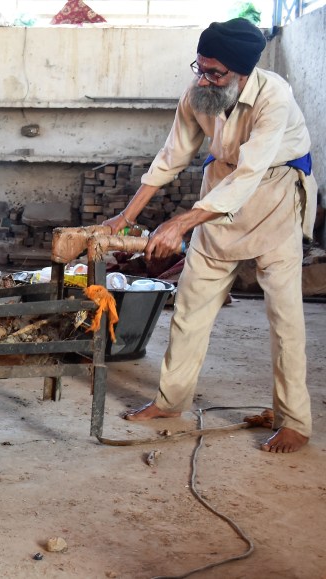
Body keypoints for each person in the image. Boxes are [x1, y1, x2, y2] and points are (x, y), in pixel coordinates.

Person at [103, 18, 318, 453]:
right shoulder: (198, 93)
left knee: (285, 317)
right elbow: (171, 156)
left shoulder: (274, 97)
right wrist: (125, 216)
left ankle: (294, 422)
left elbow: (250, 173)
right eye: (199, 68)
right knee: (190, 305)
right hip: (218, 190)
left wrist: (181, 223)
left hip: (273, 193)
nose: (203, 79)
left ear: (242, 73)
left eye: (214, 73)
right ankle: (170, 401)